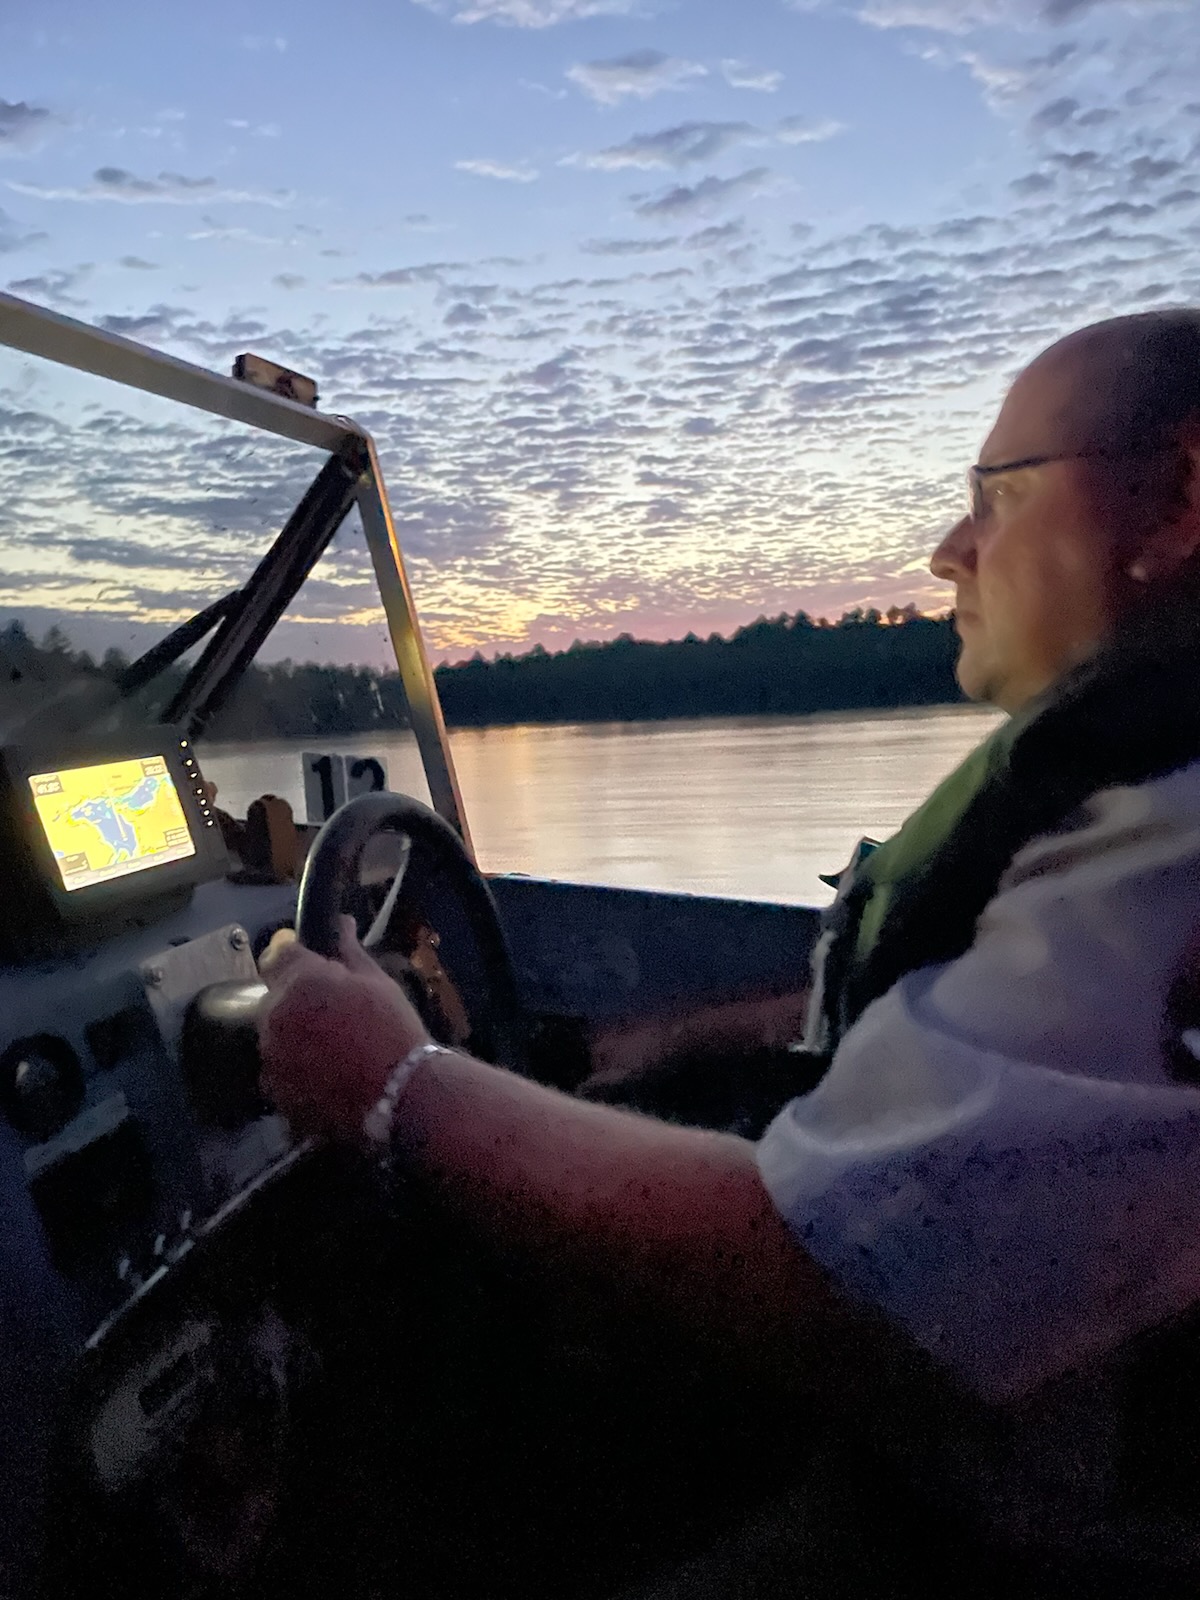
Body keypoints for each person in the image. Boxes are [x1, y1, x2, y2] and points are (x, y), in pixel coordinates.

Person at [258, 309, 1200, 1594]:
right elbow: (938, 1016)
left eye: (998, 493)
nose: (948, 549)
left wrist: (394, 1089)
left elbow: (847, 1280)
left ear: (1183, 497)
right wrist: (659, 1042)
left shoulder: (1176, 841)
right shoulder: (1135, 792)